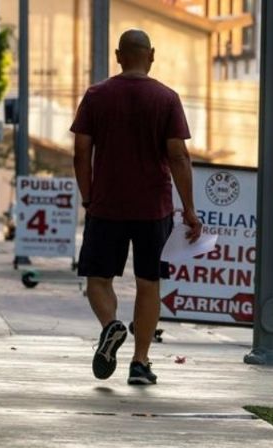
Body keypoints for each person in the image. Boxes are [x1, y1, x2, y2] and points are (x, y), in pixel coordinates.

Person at [70, 29, 202, 385]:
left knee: (98, 278)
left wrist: (88, 196)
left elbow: (81, 152)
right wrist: (189, 208)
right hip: (153, 208)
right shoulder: (167, 98)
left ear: (118, 55)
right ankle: (140, 364)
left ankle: (111, 326)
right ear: (152, 55)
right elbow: (178, 154)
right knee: (149, 284)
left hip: (106, 206)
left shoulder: (96, 96)